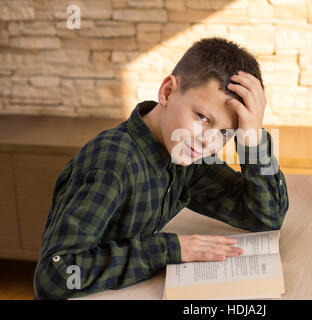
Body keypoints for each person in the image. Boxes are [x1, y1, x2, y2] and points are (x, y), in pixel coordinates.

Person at [34, 37, 289, 299]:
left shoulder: (186, 154)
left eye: (225, 132)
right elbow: (56, 275)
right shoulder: (111, 166)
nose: (209, 141)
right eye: (202, 117)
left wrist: (253, 140)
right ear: (167, 92)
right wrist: (170, 249)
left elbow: (264, 217)